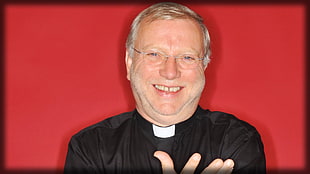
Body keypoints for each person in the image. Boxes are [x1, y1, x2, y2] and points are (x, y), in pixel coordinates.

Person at [64, 2, 266, 174]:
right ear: (129, 62)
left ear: (204, 66)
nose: (170, 72)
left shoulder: (236, 142)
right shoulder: (91, 147)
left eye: (187, 57)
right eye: (154, 54)